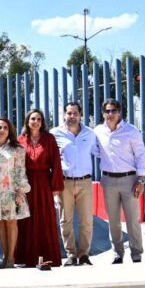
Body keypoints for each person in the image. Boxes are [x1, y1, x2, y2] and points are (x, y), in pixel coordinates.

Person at [93, 99, 145, 264]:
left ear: (119, 112)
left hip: (129, 180)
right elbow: (95, 150)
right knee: (113, 220)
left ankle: (136, 253)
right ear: (103, 113)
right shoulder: (98, 131)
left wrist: (141, 180)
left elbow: (140, 155)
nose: (110, 114)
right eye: (107, 111)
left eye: (113, 111)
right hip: (108, 180)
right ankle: (118, 253)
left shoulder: (131, 131)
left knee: (133, 219)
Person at [15, 109, 64, 268]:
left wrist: (56, 186)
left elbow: (56, 163)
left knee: (45, 219)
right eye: (32, 119)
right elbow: (15, 165)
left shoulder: (49, 139)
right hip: (26, 184)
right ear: (27, 121)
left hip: (44, 184)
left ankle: (48, 256)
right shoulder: (20, 140)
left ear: (42, 122)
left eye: (38, 119)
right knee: (26, 220)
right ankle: (26, 257)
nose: (35, 122)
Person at [51, 102, 97, 266]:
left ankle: (84, 255)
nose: (72, 116)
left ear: (80, 115)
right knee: (66, 220)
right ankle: (71, 254)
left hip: (85, 182)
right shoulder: (55, 134)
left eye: (75, 113)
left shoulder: (90, 134)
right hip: (65, 182)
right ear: (64, 115)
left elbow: (99, 152)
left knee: (86, 220)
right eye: (69, 113)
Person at [0, 118, 30, 269]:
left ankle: (11, 257)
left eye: (5, 128)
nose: (2, 130)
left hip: (11, 190)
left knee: (11, 222)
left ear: (10, 131)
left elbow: (21, 170)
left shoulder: (17, 149)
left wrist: (20, 190)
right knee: (0, 223)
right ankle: (4, 255)